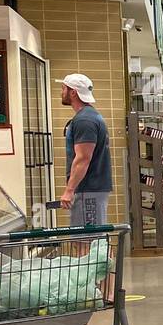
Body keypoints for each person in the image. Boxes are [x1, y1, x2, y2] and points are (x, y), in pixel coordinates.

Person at [59, 73, 112, 226]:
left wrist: (69, 190)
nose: (61, 92)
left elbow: (83, 158)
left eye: (64, 89)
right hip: (90, 189)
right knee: (91, 241)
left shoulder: (85, 120)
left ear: (73, 92)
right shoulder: (90, 116)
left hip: (88, 190)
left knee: (88, 243)